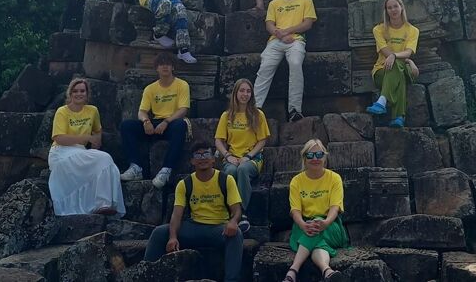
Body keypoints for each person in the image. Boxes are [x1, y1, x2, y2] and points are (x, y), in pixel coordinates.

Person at [143, 141, 244, 282]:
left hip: (218, 228)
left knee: (236, 234)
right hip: (194, 226)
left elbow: (237, 210)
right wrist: (173, 237)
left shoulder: (226, 180)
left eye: (206, 154)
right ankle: (146, 276)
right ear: (192, 161)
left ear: (213, 159)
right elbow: (176, 214)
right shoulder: (185, 184)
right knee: (159, 233)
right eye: (198, 155)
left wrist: (233, 222)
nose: (202, 158)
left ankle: (231, 280)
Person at [48, 78, 125, 217]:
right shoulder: (62, 111)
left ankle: (104, 204)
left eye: (82, 91)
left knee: (106, 161)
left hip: (80, 151)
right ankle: (100, 203)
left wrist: (97, 141)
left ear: (87, 93)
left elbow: (98, 130)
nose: (79, 94)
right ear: (70, 93)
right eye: (75, 91)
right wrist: (86, 138)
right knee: (104, 158)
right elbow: (59, 138)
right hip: (61, 152)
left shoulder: (92, 111)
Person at [253, 0, 317, 122]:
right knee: (265, 67)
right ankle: (254, 107)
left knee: (295, 64)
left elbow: (308, 23)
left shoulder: (306, 1)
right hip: (276, 40)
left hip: (296, 40)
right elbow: (269, 24)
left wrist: (287, 31)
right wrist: (280, 34)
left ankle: (294, 109)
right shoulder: (274, 3)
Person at [120, 52, 190, 189]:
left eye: (168, 64)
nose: (165, 67)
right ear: (156, 68)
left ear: (173, 67)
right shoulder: (150, 88)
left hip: (172, 123)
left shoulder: (182, 85)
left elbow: (183, 109)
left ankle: (166, 170)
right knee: (127, 126)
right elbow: (142, 111)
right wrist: (146, 122)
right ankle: (136, 167)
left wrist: (166, 122)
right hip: (155, 123)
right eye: (161, 64)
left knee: (180, 125)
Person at [282, 139, 348, 282]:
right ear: (304, 158)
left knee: (315, 227)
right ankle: (327, 271)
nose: (315, 159)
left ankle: (292, 271)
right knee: (317, 242)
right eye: (310, 155)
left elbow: (335, 207)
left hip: (330, 225)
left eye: (319, 154)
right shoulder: (296, 181)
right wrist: (303, 225)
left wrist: (325, 222)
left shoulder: (334, 178)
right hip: (303, 225)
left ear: (325, 157)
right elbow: (295, 210)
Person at [215, 78, 271, 232]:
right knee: (230, 172)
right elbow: (218, 140)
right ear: (235, 93)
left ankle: (241, 213)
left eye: (248, 91)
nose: (245, 94)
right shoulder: (226, 116)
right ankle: (228, 211)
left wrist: (248, 156)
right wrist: (228, 156)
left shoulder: (258, 114)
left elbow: (262, 140)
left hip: (252, 158)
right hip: (232, 156)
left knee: (242, 169)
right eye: (242, 90)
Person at [366, 0, 420, 128]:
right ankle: (398, 117)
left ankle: (382, 101)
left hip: (405, 69)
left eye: (395, 6)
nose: (393, 10)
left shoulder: (413, 30)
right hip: (381, 71)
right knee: (398, 74)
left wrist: (395, 55)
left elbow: (408, 52)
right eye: (389, 8)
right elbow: (385, 52)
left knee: (397, 65)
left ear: (401, 7)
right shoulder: (378, 29)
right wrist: (398, 58)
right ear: (386, 11)